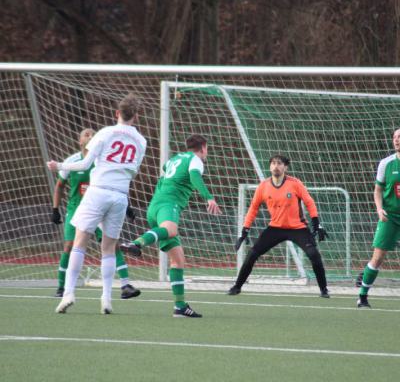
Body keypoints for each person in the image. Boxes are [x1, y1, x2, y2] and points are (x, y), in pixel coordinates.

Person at [47, 93, 147, 314]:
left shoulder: (106, 132)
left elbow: (84, 163)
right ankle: (107, 299)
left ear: (117, 113)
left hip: (98, 191)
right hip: (120, 196)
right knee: (109, 248)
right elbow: (133, 171)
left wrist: (59, 165)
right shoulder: (141, 141)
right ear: (136, 117)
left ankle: (69, 293)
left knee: (80, 242)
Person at [120, 134, 222, 318]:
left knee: (178, 260)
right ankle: (137, 243)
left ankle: (180, 307)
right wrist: (209, 197)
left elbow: (165, 171)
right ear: (203, 147)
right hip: (169, 204)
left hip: (155, 205)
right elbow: (195, 176)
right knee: (172, 230)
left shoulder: (174, 158)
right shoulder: (195, 160)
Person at [51, 128, 140, 300]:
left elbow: (115, 182)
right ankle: (62, 287)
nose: (90, 136)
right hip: (77, 208)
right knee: (70, 246)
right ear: (80, 141)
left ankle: (125, 285)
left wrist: (127, 206)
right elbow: (60, 185)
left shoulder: (101, 160)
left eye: (93, 134)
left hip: (100, 207)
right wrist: (55, 209)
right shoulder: (72, 161)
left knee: (112, 244)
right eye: (86, 134)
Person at [228, 154, 330, 298]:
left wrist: (316, 223)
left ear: (285, 167)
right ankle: (237, 287)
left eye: (280, 163)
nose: (276, 166)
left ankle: (324, 289)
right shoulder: (263, 186)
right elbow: (253, 208)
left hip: (297, 228)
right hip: (275, 228)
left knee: (314, 255)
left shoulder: (295, 183)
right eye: (273, 163)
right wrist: (244, 231)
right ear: (270, 167)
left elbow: (309, 202)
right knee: (252, 254)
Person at [356, 128, 400, 308]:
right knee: (378, 257)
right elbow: (378, 190)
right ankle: (363, 296)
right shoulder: (386, 163)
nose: (397, 140)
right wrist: (379, 209)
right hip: (390, 217)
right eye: (395, 137)